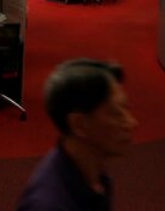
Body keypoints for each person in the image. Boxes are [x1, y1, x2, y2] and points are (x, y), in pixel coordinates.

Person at [16, 58, 137, 211]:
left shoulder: (94, 178)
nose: (132, 122)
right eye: (116, 113)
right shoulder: (48, 204)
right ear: (79, 125)